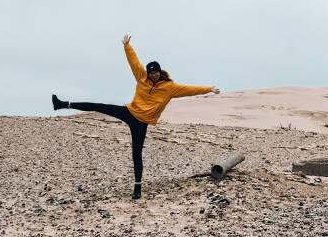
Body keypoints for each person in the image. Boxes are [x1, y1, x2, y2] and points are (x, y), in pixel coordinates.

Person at [52, 35, 220, 199]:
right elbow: (134, 62)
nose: (153, 75)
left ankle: (137, 186)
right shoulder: (141, 77)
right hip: (130, 112)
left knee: (136, 153)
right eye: (151, 73)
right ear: (148, 73)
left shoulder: (170, 87)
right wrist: (127, 46)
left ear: (160, 72)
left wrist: (208, 89)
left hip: (142, 122)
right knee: (100, 106)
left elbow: (189, 90)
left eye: (156, 72)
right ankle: (63, 104)